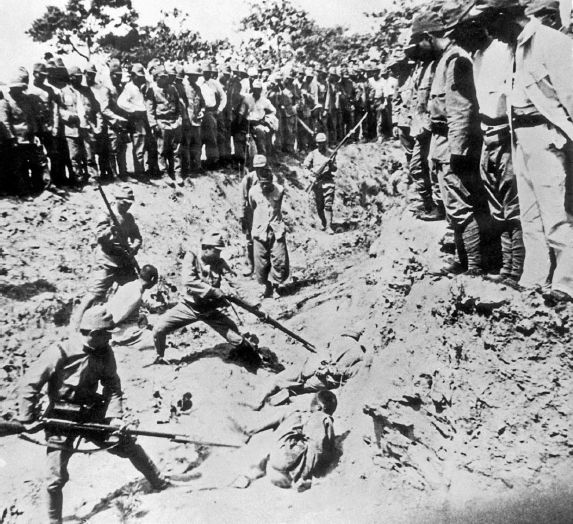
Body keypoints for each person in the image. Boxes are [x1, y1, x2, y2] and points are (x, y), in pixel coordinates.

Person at [17, 306, 169, 524]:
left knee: (126, 443)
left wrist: (115, 417)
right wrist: (27, 419)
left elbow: (113, 386)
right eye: (107, 335)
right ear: (93, 333)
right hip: (61, 418)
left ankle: (159, 482)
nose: (110, 339)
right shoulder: (60, 351)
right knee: (54, 478)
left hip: (91, 413)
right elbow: (30, 385)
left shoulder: (105, 352)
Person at [484, 0, 573, 303]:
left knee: (556, 213)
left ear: (504, 16)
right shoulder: (512, 49)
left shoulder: (552, 42)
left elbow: (570, 96)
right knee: (529, 215)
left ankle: (566, 282)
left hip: (546, 137)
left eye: (490, 22)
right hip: (519, 136)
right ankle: (535, 277)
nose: (489, 32)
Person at [427, 2, 485, 276]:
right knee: (453, 207)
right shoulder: (444, 61)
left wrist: (458, 150)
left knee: (461, 205)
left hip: (451, 145)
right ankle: (463, 260)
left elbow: (461, 109)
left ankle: (474, 265)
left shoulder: (455, 60)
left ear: (430, 38)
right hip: (441, 143)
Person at [151, 230, 261, 366]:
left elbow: (235, 283)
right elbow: (188, 280)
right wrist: (213, 291)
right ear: (207, 248)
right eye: (217, 250)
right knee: (159, 329)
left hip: (209, 309)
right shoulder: (192, 257)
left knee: (236, 337)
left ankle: (254, 360)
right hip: (188, 307)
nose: (220, 254)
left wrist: (252, 303)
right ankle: (159, 358)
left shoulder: (219, 262)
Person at [231, 391, 338, 491]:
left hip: (289, 473)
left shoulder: (320, 418)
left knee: (291, 416)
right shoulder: (316, 419)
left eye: (313, 402)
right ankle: (250, 431)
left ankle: (249, 434)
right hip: (285, 472)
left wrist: (304, 476)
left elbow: (316, 447)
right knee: (292, 416)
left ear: (318, 407)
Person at [74, 185, 142, 327]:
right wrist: (111, 230)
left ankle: (129, 322)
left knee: (134, 288)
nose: (127, 206)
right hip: (107, 259)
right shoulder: (105, 215)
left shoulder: (128, 218)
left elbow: (137, 237)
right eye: (124, 203)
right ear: (117, 200)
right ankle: (76, 325)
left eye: (130, 204)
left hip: (123, 260)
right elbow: (99, 238)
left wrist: (134, 247)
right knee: (95, 294)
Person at [249, 329, 366, 410]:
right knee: (297, 390)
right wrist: (332, 369)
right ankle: (272, 403)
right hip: (324, 379)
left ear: (346, 334)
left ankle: (257, 402)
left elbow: (321, 349)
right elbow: (350, 373)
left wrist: (323, 362)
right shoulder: (360, 354)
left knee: (278, 379)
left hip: (308, 366)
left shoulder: (337, 339)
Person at [0, 66, 43, 195]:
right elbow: (5, 122)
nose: (19, 90)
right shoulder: (5, 101)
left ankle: (38, 188)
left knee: (37, 164)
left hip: (28, 137)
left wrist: (35, 133)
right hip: (15, 140)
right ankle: (22, 191)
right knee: (19, 167)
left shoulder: (26, 99)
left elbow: (30, 118)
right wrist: (11, 138)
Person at [248, 166, 289, 298]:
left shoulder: (279, 190)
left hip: (276, 230)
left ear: (272, 181)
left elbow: (279, 207)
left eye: (268, 183)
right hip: (260, 231)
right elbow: (251, 207)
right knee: (261, 262)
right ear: (259, 182)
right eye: (262, 184)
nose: (265, 186)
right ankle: (267, 287)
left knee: (279, 259)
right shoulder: (253, 192)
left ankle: (277, 287)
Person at [91, 62, 130, 181]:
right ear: (111, 75)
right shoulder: (106, 89)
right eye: (116, 75)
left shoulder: (121, 88)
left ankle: (123, 173)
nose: (118, 77)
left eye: (120, 75)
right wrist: (116, 119)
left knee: (122, 149)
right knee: (112, 150)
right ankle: (114, 175)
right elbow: (104, 109)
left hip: (122, 125)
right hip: (111, 125)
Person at [145, 65, 183, 185]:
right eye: (162, 77)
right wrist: (153, 124)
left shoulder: (173, 89)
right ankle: (164, 173)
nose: (165, 79)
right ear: (156, 78)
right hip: (161, 122)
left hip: (174, 122)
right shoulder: (152, 90)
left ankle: (177, 173)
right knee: (162, 149)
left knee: (176, 149)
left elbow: (178, 106)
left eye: (166, 77)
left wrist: (180, 119)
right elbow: (150, 109)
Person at [117, 63, 149, 177]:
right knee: (138, 146)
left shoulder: (140, 86)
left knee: (141, 145)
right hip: (135, 119)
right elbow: (121, 102)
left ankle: (140, 170)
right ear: (133, 75)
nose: (140, 78)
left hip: (141, 118)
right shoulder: (129, 87)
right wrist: (133, 110)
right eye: (138, 76)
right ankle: (139, 172)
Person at [240, 154, 268, 277]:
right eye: (257, 167)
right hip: (251, 212)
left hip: (265, 211)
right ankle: (251, 264)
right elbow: (243, 200)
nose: (260, 170)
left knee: (267, 238)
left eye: (262, 167)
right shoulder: (248, 179)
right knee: (250, 239)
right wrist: (243, 216)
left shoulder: (270, 177)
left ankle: (265, 265)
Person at [303, 132, 337, 232]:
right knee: (319, 205)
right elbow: (305, 167)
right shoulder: (312, 154)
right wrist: (310, 177)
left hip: (328, 182)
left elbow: (335, 169)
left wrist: (331, 164)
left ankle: (329, 226)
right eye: (319, 143)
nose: (321, 145)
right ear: (316, 143)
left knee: (328, 205)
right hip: (317, 183)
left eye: (323, 143)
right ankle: (323, 222)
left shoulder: (330, 153)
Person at [200, 62, 227, 170]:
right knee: (199, 137)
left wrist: (219, 110)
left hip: (210, 112)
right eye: (204, 72)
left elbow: (223, 97)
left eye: (208, 73)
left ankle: (212, 161)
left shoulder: (215, 83)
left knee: (211, 137)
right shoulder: (198, 83)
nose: (206, 74)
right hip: (198, 112)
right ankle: (197, 162)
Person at [182, 63, 205, 175]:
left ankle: (196, 165)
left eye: (196, 76)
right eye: (192, 76)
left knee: (197, 144)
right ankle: (186, 167)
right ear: (188, 76)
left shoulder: (198, 88)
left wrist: (202, 111)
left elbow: (202, 104)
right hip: (187, 121)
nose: (194, 78)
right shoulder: (184, 88)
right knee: (186, 144)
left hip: (196, 121)